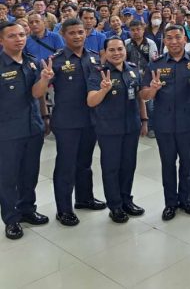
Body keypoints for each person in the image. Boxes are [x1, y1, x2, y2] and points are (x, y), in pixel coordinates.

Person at [140, 25, 190, 220]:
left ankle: (186, 200)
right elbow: (143, 95)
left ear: (185, 39)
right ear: (165, 41)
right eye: (169, 38)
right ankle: (170, 203)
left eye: (178, 37)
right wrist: (152, 90)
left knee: (187, 163)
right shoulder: (156, 64)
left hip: (188, 121)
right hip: (164, 123)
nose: (174, 41)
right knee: (168, 164)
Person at [48, 19, 106, 227]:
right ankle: (63, 209)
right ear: (63, 35)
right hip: (67, 121)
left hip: (90, 119)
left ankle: (84, 198)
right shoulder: (55, 60)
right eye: (72, 33)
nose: (77, 36)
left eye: (80, 32)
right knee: (66, 165)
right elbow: (42, 88)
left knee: (85, 163)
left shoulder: (94, 58)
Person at [87, 37, 148, 223]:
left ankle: (126, 200)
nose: (116, 53)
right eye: (111, 50)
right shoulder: (99, 73)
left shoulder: (132, 70)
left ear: (125, 50)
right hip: (109, 129)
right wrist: (103, 90)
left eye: (119, 49)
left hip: (131, 126)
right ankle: (115, 206)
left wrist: (144, 119)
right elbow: (91, 101)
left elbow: (139, 98)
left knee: (128, 165)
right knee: (111, 168)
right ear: (104, 53)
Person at [0, 21, 51, 240]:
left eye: (21, 35)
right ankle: (11, 219)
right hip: (7, 132)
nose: (19, 39)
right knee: (8, 178)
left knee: (29, 173)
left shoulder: (31, 63)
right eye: (12, 36)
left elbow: (36, 93)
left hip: (33, 128)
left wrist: (45, 80)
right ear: (2, 40)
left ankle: (27, 209)